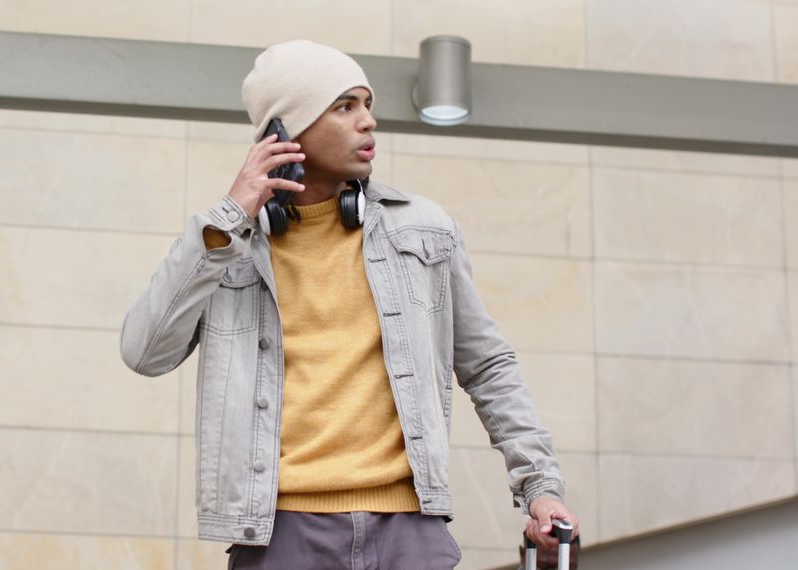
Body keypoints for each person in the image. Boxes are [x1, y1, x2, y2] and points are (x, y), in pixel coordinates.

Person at [120, 39, 579, 569]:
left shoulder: (425, 229)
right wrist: (229, 217)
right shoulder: (227, 246)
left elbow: (489, 367)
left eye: (367, 103)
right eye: (344, 106)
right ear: (285, 134)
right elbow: (144, 352)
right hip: (281, 536)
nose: (368, 121)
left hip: (410, 533)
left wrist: (541, 487)